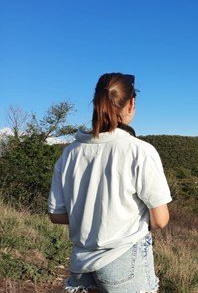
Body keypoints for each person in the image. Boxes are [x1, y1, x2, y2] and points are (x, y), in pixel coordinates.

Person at [48, 73, 172, 292]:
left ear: (96, 103)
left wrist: (90, 218)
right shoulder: (140, 151)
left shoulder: (69, 154)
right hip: (125, 261)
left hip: (80, 264)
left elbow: (56, 215)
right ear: (131, 103)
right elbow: (160, 220)